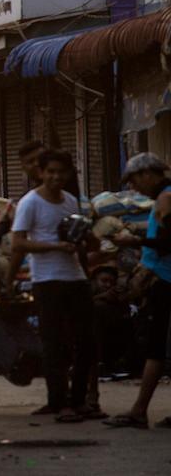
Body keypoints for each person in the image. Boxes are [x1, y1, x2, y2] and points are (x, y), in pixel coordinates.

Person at [8, 149, 99, 423]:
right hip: (47, 279)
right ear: (41, 173)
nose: (56, 177)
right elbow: (18, 243)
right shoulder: (30, 202)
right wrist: (55, 246)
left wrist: (87, 249)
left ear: (69, 174)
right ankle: (58, 401)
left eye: (61, 172)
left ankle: (79, 399)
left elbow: (80, 239)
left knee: (86, 341)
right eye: (51, 172)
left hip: (76, 278)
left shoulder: (71, 201)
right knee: (54, 342)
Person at [105, 153, 171, 429]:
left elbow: (168, 242)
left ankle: (139, 410)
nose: (134, 188)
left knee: (155, 347)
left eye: (134, 180)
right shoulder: (164, 198)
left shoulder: (166, 198)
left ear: (148, 174)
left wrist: (134, 240)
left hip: (166, 281)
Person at [0, 140, 46, 237]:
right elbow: (19, 243)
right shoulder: (27, 201)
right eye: (31, 161)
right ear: (24, 168)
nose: (36, 164)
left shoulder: (65, 188)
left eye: (40, 159)